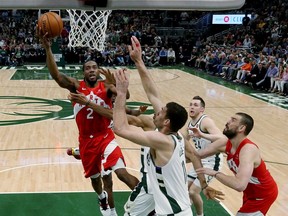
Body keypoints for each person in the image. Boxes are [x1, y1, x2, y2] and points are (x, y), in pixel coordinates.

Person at [112, 36, 223, 215]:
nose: (157, 111)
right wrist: (139, 61)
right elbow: (153, 94)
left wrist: (121, 92)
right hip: (180, 209)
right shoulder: (177, 135)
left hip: (174, 212)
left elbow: (120, 128)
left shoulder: (161, 140)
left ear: (166, 122)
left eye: (161, 111)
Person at [38, 30, 139, 216]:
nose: (92, 70)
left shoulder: (106, 87)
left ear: (98, 70)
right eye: (88, 68)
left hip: (106, 138)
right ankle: (101, 197)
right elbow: (57, 76)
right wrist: (48, 49)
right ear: (83, 72)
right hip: (86, 141)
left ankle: (145, 196)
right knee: (95, 179)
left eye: (94, 67)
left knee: (122, 173)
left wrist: (117, 85)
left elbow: (126, 96)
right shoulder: (77, 86)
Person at [196, 112, 278, 216]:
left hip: (263, 195)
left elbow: (239, 185)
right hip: (250, 193)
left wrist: (214, 173)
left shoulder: (248, 149)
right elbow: (197, 155)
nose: (227, 122)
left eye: (233, 120)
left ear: (241, 128)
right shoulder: (226, 143)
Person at [183, 95, 224, 216]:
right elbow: (182, 141)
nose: (191, 107)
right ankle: (186, 210)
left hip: (212, 161)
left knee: (193, 192)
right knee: (184, 190)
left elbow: (222, 138)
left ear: (202, 109)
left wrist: (202, 134)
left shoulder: (206, 121)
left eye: (195, 105)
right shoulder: (190, 124)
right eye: (190, 104)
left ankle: (200, 215)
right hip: (200, 161)